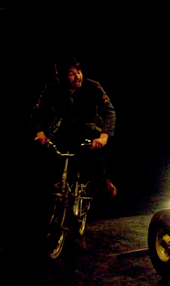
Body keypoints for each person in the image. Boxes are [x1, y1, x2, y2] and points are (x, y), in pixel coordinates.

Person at [31, 56, 117, 198]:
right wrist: (40, 133)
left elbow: (109, 111)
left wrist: (103, 136)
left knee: (95, 162)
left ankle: (103, 183)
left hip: (89, 133)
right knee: (46, 158)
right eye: (71, 74)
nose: (78, 77)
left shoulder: (92, 86)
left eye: (79, 72)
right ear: (60, 77)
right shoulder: (52, 90)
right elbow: (37, 113)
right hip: (63, 133)